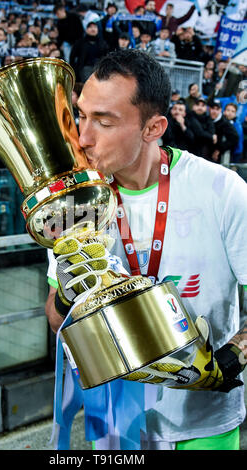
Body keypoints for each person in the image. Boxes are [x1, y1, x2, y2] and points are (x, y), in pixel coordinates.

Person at [45, 49, 247, 451]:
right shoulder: (76, 203)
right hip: (114, 425)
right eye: (80, 116)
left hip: (201, 421)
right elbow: (54, 318)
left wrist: (233, 356)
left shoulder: (223, 192)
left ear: (153, 128)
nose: (82, 138)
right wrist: (67, 296)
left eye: (103, 121)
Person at [208, 99, 239, 164]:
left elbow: (235, 137)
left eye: (217, 109)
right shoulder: (207, 119)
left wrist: (219, 149)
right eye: (212, 108)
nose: (214, 111)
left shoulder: (226, 123)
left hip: (220, 158)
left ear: (220, 110)